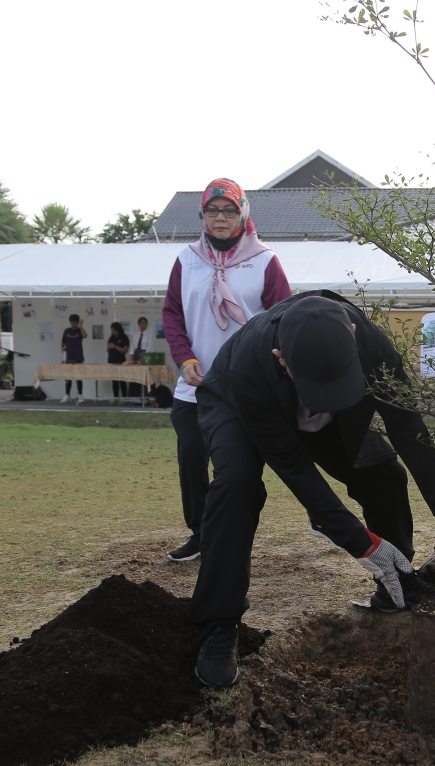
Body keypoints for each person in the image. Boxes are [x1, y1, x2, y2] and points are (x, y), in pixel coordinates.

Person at [190, 291, 435, 687]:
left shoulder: (373, 346)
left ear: (351, 335)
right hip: (237, 407)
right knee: (236, 485)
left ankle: (397, 583)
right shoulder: (251, 366)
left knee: (384, 476)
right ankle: (218, 624)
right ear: (283, 359)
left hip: (331, 420)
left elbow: (409, 433)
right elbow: (296, 471)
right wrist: (360, 543)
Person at [162, 178, 291, 563]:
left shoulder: (265, 260)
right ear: (202, 214)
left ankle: (231, 532)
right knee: (191, 459)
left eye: (229, 209)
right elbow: (172, 313)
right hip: (195, 385)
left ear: (243, 213)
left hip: (244, 387)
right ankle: (201, 532)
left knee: (236, 469)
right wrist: (184, 358)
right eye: (213, 210)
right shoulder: (187, 259)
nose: (220, 217)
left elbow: (283, 318)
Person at [60, 313, 87, 403]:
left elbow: (84, 336)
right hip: (68, 357)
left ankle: (80, 395)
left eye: (75, 322)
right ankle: (67, 395)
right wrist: (62, 350)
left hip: (78, 357)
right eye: (71, 322)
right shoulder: (67, 331)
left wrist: (81, 326)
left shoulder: (80, 330)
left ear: (77, 322)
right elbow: (63, 342)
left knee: (78, 376)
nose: (73, 324)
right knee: (68, 377)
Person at [106, 321, 130, 399]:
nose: (113, 332)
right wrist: (109, 348)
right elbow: (108, 350)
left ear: (118, 330)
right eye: (112, 330)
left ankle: (124, 397)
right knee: (114, 380)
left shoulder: (124, 337)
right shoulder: (111, 337)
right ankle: (115, 397)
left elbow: (125, 350)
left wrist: (115, 347)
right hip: (111, 361)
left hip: (120, 361)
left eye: (114, 330)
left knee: (122, 380)